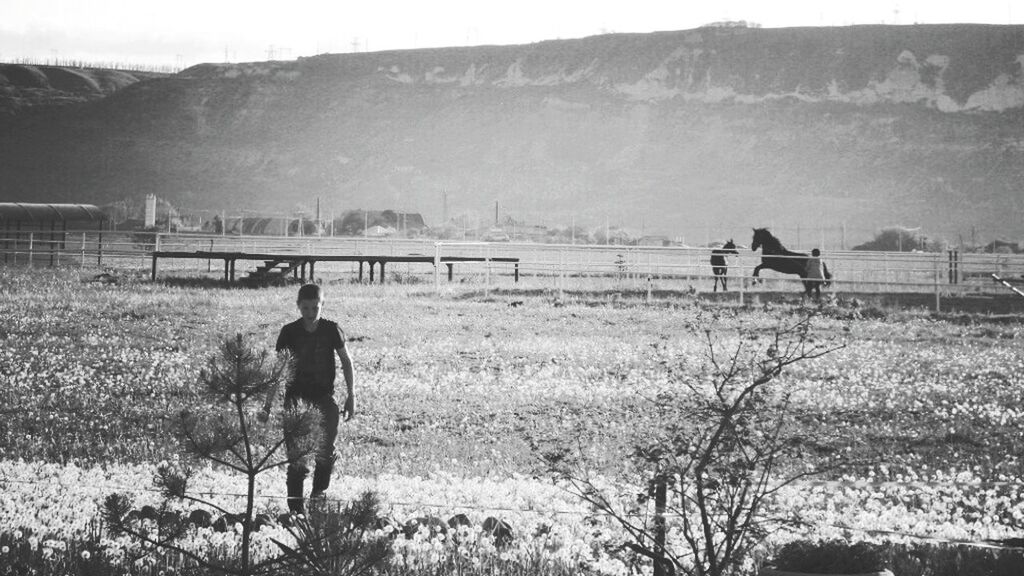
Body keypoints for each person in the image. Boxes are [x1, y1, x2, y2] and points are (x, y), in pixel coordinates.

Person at [269, 283, 355, 514]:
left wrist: (351, 395)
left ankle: (318, 496)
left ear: (322, 306)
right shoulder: (289, 332)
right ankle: (295, 509)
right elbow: (279, 369)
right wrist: (268, 404)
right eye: (305, 308)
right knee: (297, 457)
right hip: (296, 400)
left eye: (315, 308)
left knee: (326, 451)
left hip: (324, 398)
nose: (310, 313)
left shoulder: (331, 329)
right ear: (298, 306)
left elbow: (346, 361)